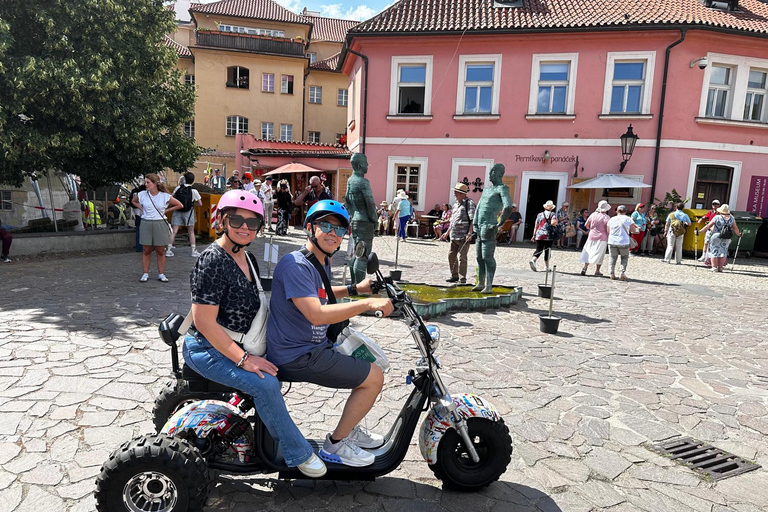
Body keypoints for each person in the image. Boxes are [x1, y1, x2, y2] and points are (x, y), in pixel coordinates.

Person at [182, 190, 327, 478]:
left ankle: (267, 434)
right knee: (266, 385)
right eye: (236, 219)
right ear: (222, 220)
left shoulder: (247, 257)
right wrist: (244, 359)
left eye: (253, 222)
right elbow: (204, 321)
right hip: (207, 348)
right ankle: (296, 452)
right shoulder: (212, 260)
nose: (244, 227)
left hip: (238, 343)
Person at [266, 200, 394, 467]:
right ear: (310, 228)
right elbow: (316, 313)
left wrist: (355, 289)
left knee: (371, 362)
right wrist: (368, 304)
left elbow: (319, 293)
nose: (332, 233)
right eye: (325, 225)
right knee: (374, 378)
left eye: (338, 229)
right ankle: (336, 445)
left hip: (312, 346)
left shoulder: (317, 260)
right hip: (297, 355)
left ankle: (350, 429)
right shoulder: (296, 265)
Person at [132, 173, 183, 282]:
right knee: (146, 250)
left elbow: (179, 204)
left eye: (148, 182)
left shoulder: (164, 196)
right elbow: (133, 201)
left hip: (159, 223)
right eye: (145, 182)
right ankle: (145, 273)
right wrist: (141, 208)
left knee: (160, 250)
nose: (146, 184)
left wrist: (167, 210)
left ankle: (161, 273)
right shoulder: (142, 194)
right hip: (146, 222)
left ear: (155, 184)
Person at [472, 163, 513, 293]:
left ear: (499, 174)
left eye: (492, 172)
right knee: (479, 256)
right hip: (479, 225)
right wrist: (474, 223)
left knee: (487, 257)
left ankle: (488, 285)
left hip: (489, 225)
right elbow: (479, 207)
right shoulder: (487, 189)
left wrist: (499, 223)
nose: (490, 175)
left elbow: (508, 206)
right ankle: (480, 282)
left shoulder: (502, 188)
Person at [442, 183, 476, 283]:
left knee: (462, 258)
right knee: (451, 255)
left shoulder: (469, 203)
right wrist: (447, 233)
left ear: (462, 194)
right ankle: (454, 275)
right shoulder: (455, 204)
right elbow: (453, 220)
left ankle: (462, 279)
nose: (454, 194)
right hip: (454, 235)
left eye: (456, 192)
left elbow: (473, 219)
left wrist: (470, 233)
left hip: (463, 236)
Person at [168, 172, 203, 258]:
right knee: (191, 232)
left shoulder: (178, 188)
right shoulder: (194, 191)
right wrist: (192, 205)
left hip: (177, 210)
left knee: (174, 231)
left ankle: (168, 250)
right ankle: (193, 251)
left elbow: (171, 198)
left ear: (184, 179)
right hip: (188, 212)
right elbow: (200, 203)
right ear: (193, 180)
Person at [700, 203, 740, 273]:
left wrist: (701, 231)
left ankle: (714, 267)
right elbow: (735, 228)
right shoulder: (732, 218)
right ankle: (720, 267)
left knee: (714, 252)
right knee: (723, 252)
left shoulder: (717, 217)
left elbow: (709, 225)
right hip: (727, 237)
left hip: (716, 236)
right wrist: (739, 234)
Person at [579, 200, 611, 276]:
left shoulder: (593, 215)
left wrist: (592, 229)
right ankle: (597, 270)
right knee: (600, 254)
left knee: (589, 252)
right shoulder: (607, 217)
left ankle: (585, 267)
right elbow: (608, 229)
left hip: (592, 235)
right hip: (602, 237)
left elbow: (586, 225)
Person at [607, 205, 639, 281]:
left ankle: (611, 273)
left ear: (617, 211)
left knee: (612, 257)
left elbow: (608, 231)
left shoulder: (612, 219)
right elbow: (633, 230)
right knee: (624, 257)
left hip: (612, 241)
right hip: (623, 241)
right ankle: (622, 273)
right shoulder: (628, 219)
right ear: (626, 211)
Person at [529, 200, 558, 272]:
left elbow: (536, 225)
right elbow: (553, 223)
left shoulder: (539, 215)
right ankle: (546, 266)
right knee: (547, 250)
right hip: (548, 235)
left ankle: (533, 260)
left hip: (539, 234)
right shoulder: (553, 214)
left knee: (539, 249)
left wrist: (534, 235)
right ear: (551, 208)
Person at [128, 184, 146, 252]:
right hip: (143, 214)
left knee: (139, 231)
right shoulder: (142, 194)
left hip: (137, 214)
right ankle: (141, 248)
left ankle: (139, 247)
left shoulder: (134, 192)